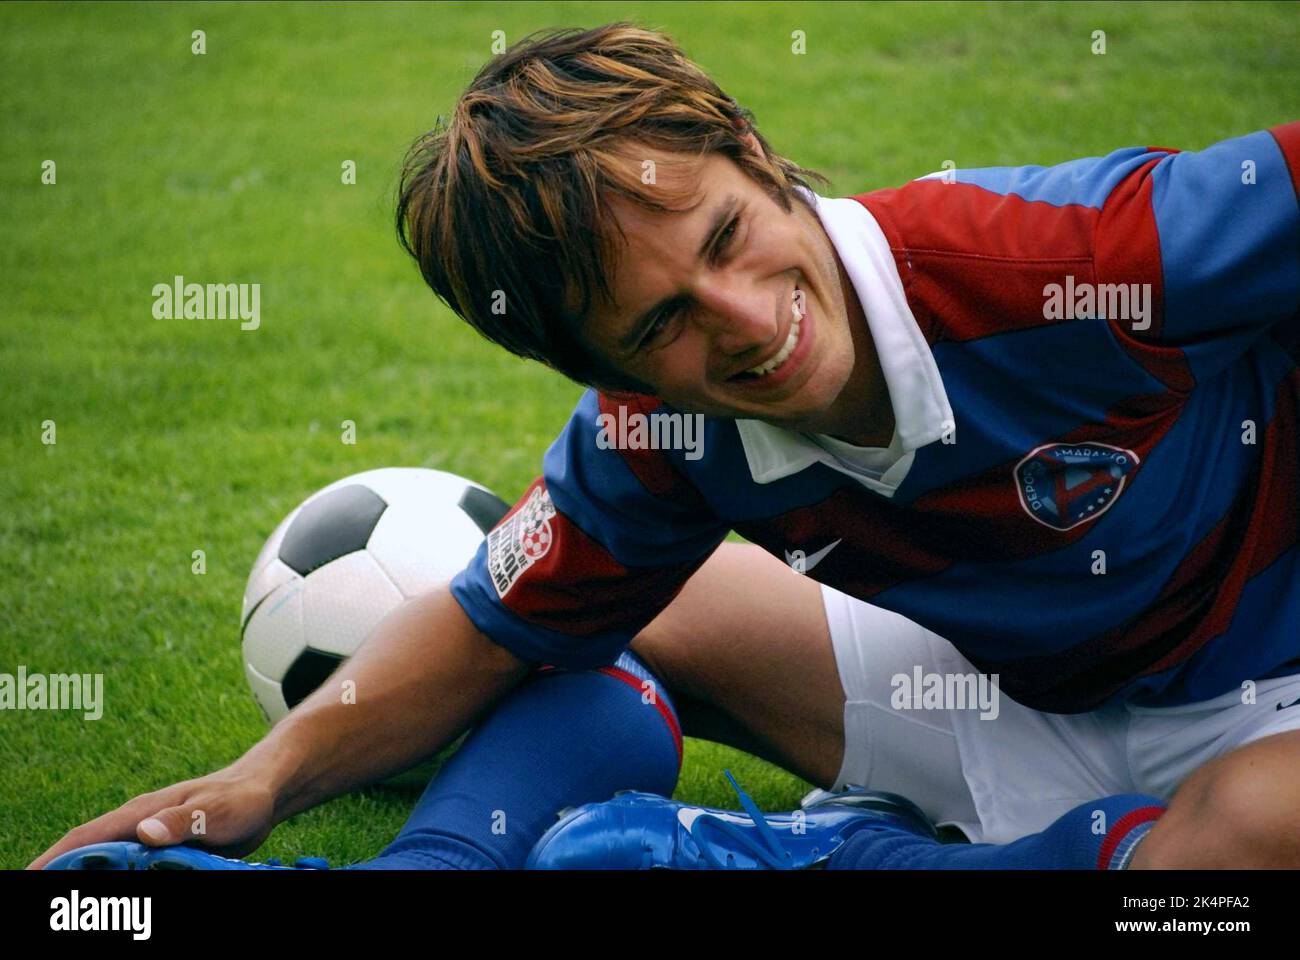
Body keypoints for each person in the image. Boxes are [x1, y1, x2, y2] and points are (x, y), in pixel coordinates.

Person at [35, 23, 1300, 871]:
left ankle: (853, 855)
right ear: (603, 369)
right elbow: (493, 624)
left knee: (1248, 836)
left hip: (1265, 723)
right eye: (663, 323)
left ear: (752, 155)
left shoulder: (1083, 252)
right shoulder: (658, 428)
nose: (749, 324)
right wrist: (263, 781)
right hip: (1007, 700)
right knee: (651, 604)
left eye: (724, 239)